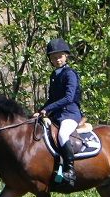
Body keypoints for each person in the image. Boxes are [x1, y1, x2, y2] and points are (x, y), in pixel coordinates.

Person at [32, 38, 82, 185]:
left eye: (59, 56)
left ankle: (70, 171)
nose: (57, 60)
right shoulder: (54, 76)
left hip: (70, 114)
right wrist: (41, 110)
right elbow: (52, 98)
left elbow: (68, 97)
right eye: (53, 58)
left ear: (66, 56)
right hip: (57, 115)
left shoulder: (70, 74)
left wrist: (47, 109)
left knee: (62, 134)